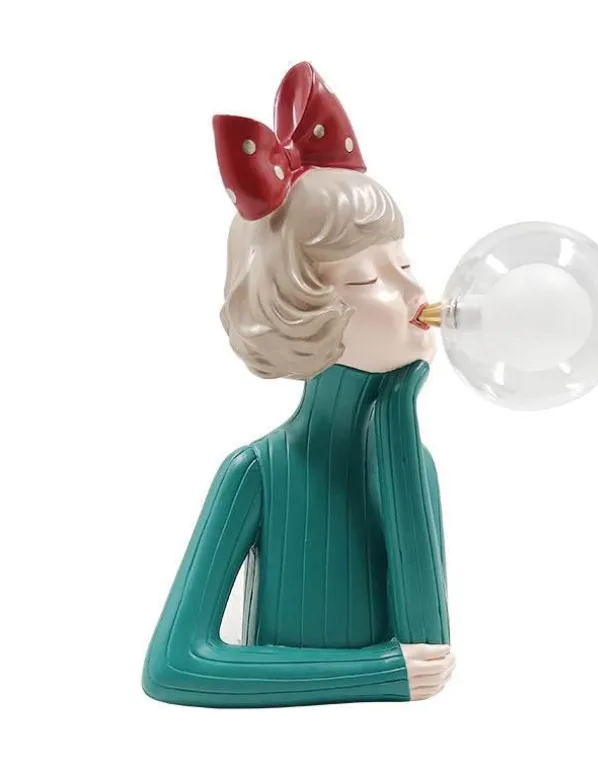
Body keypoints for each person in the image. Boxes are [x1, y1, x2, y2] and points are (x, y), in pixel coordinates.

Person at [142, 62, 453, 708]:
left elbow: (430, 656)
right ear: (303, 311)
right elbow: (173, 665)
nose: (415, 292)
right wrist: (373, 674)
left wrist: (397, 410)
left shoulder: (410, 460)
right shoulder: (255, 472)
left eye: (404, 263)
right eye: (369, 279)